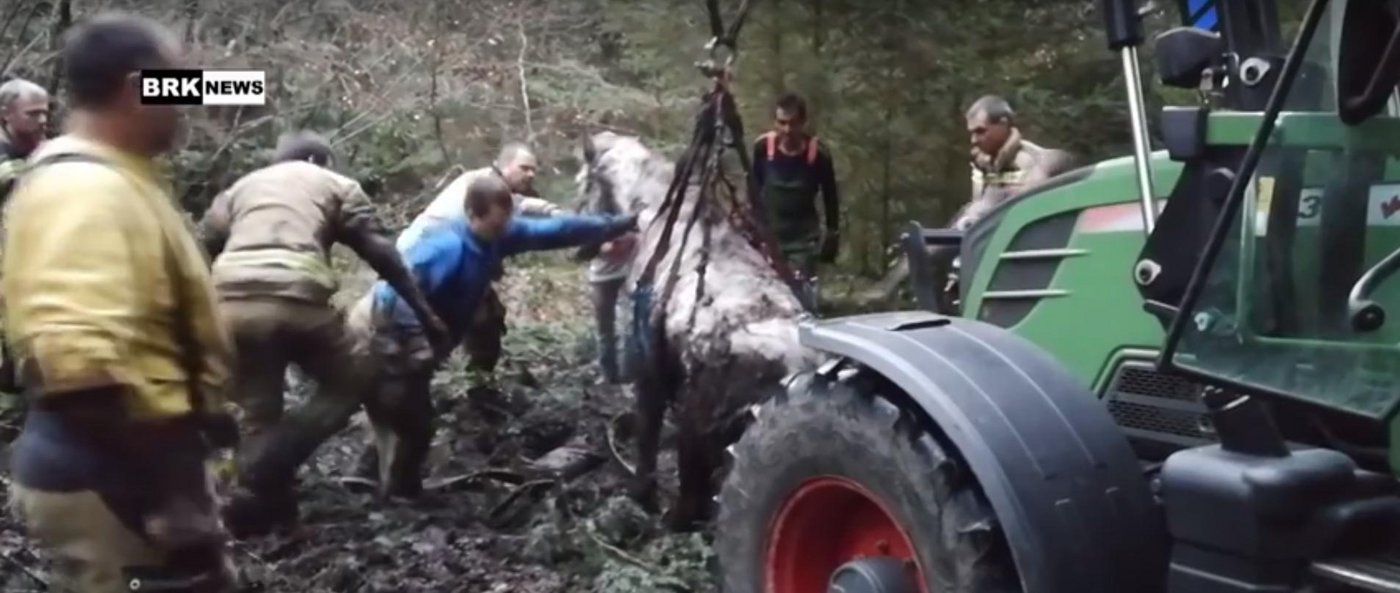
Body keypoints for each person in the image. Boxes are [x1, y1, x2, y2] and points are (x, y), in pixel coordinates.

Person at [2, 13, 239, 592]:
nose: (186, 103)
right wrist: (171, 492)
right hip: (112, 472)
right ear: (137, 90)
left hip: (131, 460)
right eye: (176, 87)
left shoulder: (117, 179)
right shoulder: (86, 190)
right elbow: (77, 362)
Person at [197, 130, 450, 537]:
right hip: (298, 301)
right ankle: (270, 466)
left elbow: (202, 246)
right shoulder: (336, 184)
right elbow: (379, 251)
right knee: (355, 379)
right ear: (320, 161)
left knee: (258, 414)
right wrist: (425, 313)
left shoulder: (239, 189)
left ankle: (264, 510)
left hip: (232, 309)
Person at [350, 173, 636, 498]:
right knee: (410, 417)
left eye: (505, 223)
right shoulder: (443, 247)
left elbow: (557, 231)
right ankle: (395, 491)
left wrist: (615, 224)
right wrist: (417, 341)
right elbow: (392, 295)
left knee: (404, 409)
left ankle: (382, 479)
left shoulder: (501, 234)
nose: (502, 232)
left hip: (424, 333)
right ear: (472, 214)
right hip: (383, 327)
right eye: (494, 225)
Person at [403, 142, 562, 386]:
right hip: (430, 263)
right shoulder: (485, 186)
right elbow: (518, 205)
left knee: (478, 322)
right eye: (524, 168)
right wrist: (554, 213)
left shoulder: (483, 183)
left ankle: (464, 386)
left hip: (427, 261)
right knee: (473, 324)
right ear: (504, 165)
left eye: (533, 170)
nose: (530, 174)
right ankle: (464, 389)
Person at [750, 92, 841, 307]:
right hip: (771, 236)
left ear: (802, 123)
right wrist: (753, 224)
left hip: (803, 239)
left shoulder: (818, 154)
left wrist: (832, 232)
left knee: (800, 295)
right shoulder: (763, 148)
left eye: (793, 123)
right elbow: (754, 187)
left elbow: (830, 195)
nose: (787, 130)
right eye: (782, 123)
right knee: (766, 296)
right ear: (775, 122)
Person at [0, 78, 52, 425]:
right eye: (33, 114)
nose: (42, 121)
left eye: (45, 114)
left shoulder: (44, 150)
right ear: (5, 114)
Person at [954, 95, 1077, 230]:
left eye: (980, 131)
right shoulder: (991, 166)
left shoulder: (1040, 160)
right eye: (972, 133)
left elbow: (1061, 159)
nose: (974, 140)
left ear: (1003, 123)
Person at [586, 232, 638, 384]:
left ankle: (626, 374)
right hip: (602, 278)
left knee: (626, 326)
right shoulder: (594, 216)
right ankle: (610, 374)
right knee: (607, 328)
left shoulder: (628, 215)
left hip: (624, 276)